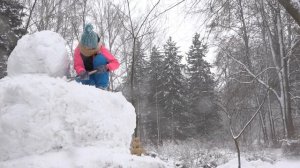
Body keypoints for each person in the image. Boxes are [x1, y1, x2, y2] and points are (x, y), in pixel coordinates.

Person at [74, 23, 119, 90]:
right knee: (76, 82)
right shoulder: (78, 50)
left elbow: (116, 63)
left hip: (100, 77)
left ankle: (102, 88)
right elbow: (77, 65)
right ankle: (89, 90)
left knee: (100, 58)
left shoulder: (101, 49)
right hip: (87, 77)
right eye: (87, 48)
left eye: (92, 48)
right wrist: (81, 71)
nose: (90, 50)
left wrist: (106, 67)